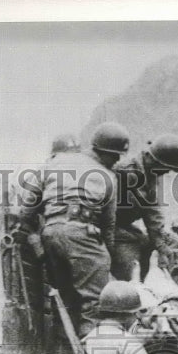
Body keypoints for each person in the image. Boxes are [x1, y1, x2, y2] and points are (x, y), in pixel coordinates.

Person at [19, 122, 129, 337]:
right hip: (83, 235)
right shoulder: (108, 176)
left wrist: (34, 233)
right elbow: (108, 224)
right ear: (105, 153)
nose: (116, 161)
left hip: (51, 234)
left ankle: (65, 351)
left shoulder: (54, 163)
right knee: (97, 303)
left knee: (65, 298)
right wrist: (108, 257)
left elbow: (27, 209)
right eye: (115, 156)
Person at [113, 134, 178, 282]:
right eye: (166, 168)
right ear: (151, 158)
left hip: (124, 227)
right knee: (131, 264)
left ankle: (151, 285)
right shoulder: (124, 172)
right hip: (108, 228)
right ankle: (134, 293)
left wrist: (161, 246)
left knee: (164, 246)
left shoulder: (152, 173)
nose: (167, 173)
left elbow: (153, 211)